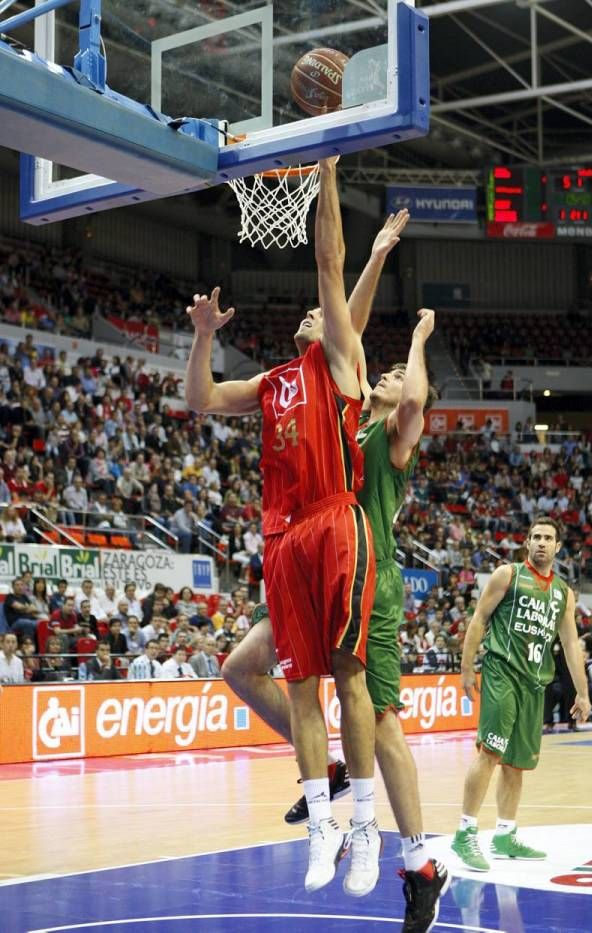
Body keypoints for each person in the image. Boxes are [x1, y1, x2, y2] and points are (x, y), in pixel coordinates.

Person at [185, 158, 383, 897]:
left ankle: (366, 824)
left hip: (335, 521)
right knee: (300, 685)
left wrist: (327, 170)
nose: (312, 309)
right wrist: (204, 334)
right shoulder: (271, 383)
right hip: (282, 535)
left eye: (320, 307)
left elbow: (329, 258)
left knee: (350, 675)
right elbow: (200, 397)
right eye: (306, 310)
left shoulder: (339, 356)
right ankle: (326, 820)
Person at [222, 312, 449, 930]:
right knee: (240, 668)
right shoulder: (341, 414)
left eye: (401, 376)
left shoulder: (393, 436)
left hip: (366, 583)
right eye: (390, 369)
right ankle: (327, 768)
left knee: (382, 723)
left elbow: (415, 400)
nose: (394, 377)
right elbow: (324, 351)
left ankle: (421, 863)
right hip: (314, 568)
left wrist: (418, 344)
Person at [451, 517, 591, 871]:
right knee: (491, 751)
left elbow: (571, 644)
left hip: (534, 682)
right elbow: (479, 619)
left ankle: (504, 834)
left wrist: (583, 693)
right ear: (527, 542)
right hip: (502, 672)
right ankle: (465, 832)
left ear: (558, 547)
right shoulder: (507, 575)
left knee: (516, 764)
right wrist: (467, 668)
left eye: (549, 538)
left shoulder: (564, 593)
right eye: (536, 537)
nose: (542, 543)